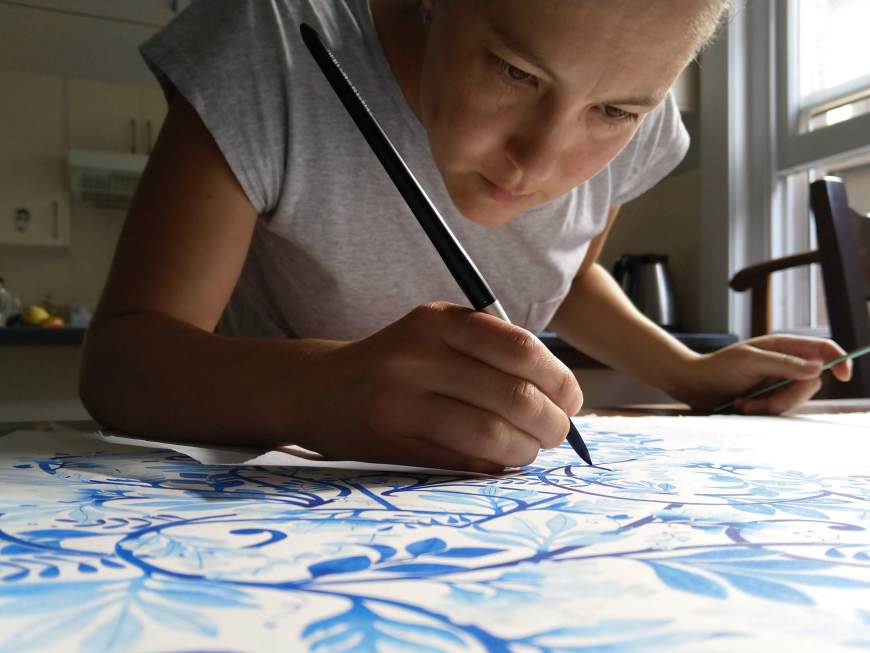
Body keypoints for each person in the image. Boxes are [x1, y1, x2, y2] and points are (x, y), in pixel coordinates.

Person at [80, 0, 852, 474]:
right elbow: (122, 362)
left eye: (614, 112)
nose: (538, 163)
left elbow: (563, 276)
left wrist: (687, 372)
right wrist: (315, 389)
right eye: (516, 72)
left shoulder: (643, 121)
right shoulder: (274, 38)